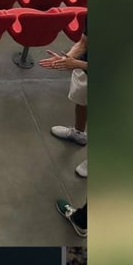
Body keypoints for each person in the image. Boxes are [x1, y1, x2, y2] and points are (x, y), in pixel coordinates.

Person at [42, 30, 87, 178]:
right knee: (81, 101)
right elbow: (83, 43)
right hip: (85, 71)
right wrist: (66, 59)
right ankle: (78, 133)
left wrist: (75, 63)